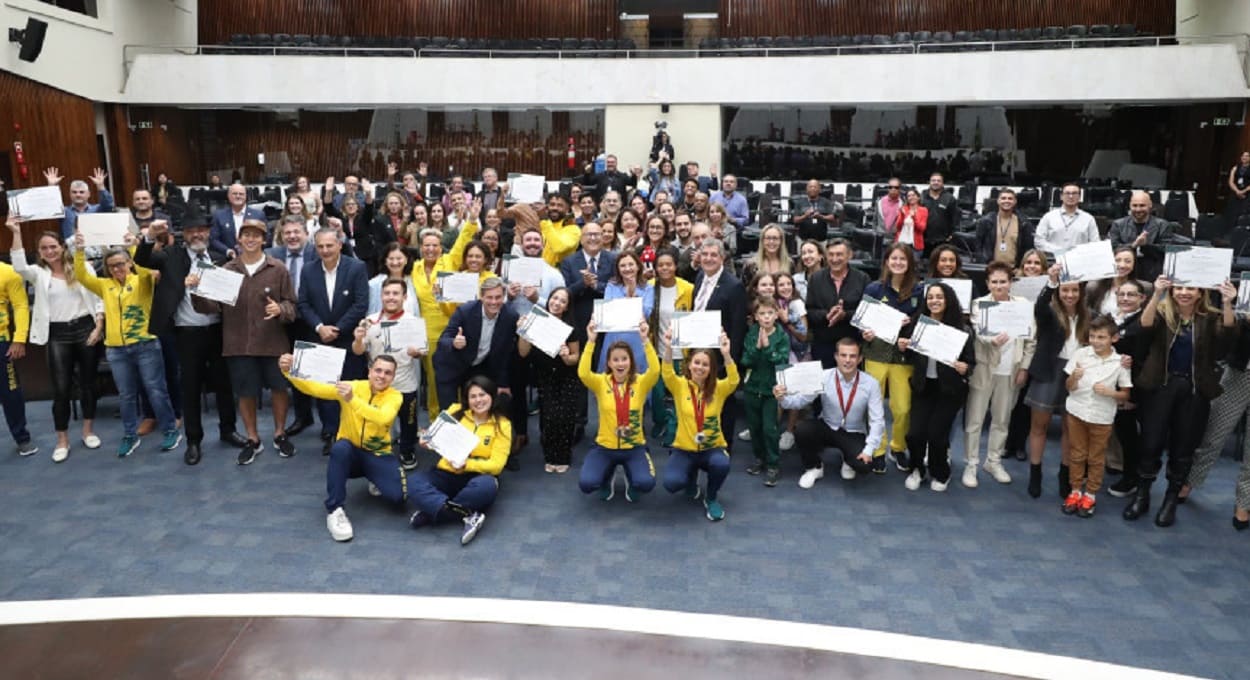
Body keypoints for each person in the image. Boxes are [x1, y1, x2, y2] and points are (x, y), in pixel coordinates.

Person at [1124, 276, 1236, 527]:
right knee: (1150, 443)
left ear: (1200, 292)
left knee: (1183, 447)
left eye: (1190, 288)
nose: (1184, 292)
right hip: (1160, 387)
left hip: (1194, 390)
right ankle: (1142, 495)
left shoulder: (1210, 317)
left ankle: (1171, 499)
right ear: (1172, 291)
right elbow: (1144, 327)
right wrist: (1157, 294)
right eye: (1180, 288)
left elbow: (1226, 341)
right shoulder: (1161, 312)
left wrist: (1228, 303)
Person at [135, 212, 245, 466]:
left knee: (224, 385)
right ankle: (193, 440)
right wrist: (149, 236)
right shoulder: (170, 256)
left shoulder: (219, 258)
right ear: (183, 234)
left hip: (218, 330)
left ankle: (228, 430)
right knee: (191, 388)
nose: (197, 234)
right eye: (191, 231)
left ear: (209, 232)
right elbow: (141, 259)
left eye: (201, 230)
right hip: (187, 333)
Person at [190, 219, 298, 465]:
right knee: (245, 392)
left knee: (279, 389)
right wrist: (196, 290)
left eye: (256, 235)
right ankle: (252, 438)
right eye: (246, 235)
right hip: (239, 343)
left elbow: (292, 305)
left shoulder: (278, 268)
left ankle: (280, 434)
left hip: (273, 341)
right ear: (238, 239)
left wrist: (281, 309)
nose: (251, 239)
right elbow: (210, 307)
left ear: (264, 240)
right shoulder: (226, 270)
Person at [73, 234, 181, 456]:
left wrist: (133, 246)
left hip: (145, 345)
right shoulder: (105, 286)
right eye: (112, 266)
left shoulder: (143, 280)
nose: (117, 269)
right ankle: (130, 435)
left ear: (129, 263)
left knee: (156, 390)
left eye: (121, 264)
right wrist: (80, 250)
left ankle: (170, 430)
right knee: (126, 395)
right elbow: (81, 276)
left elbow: (145, 268)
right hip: (116, 350)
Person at [280, 353, 405, 543]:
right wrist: (289, 372)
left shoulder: (395, 396)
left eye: (388, 373)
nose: (382, 376)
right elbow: (315, 388)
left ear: (393, 377)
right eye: (378, 370)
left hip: (378, 454)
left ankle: (374, 477)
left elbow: (382, 417)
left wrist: (352, 399)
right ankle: (335, 509)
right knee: (339, 448)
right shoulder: (353, 386)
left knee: (398, 498)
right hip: (351, 454)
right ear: (369, 371)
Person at [6, 216, 102, 462]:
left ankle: (88, 431)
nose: (49, 251)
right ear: (39, 252)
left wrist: (98, 326)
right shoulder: (38, 273)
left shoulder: (82, 266)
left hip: (86, 329)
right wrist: (15, 232)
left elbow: (99, 295)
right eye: (44, 248)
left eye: (53, 246)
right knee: (61, 390)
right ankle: (62, 440)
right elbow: (19, 266)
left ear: (62, 246)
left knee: (89, 384)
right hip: (57, 334)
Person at [408, 375, 510, 545]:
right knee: (413, 482)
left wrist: (468, 465)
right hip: (446, 472)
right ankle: (468, 514)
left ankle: (433, 512)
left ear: (492, 396)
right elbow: (435, 438)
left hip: (478, 476)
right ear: (467, 399)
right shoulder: (455, 411)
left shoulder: (502, 424)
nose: (478, 400)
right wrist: (426, 441)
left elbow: (497, 465)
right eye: (473, 396)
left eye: (482, 395)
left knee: (486, 488)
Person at [298, 227, 371, 455]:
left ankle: (351, 434)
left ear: (339, 245)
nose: (325, 250)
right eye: (320, 246)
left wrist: (337, 328)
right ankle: (330, 432)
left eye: (329, 245)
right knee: (325, 391)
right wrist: (320, 327)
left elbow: (361, 304)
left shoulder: (357, 267)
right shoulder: (308, 270)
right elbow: (303, 304)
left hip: (348, 339)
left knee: (349, 388)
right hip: (319, 339)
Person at [896, 282, 975, 491]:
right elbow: (911, 356)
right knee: (915, 434)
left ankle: (940, 472)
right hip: (923, 387)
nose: (934, 301)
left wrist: (965, 367)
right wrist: (903, 347)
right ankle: (917, 469)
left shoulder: (962, 329)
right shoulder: (918, 324)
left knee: (936, 435)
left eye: (939, 297)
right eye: (930, 297)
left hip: (949, 390)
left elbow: (971, 362)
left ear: (948, 300)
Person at [964, 261, 1036, 487]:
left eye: (1003, 281)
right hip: (984, 369)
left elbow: (1031, 341)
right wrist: (991, 340)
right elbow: (980, 331)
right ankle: (971, 464)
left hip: (1010, 371)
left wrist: (1024, 367)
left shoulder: (1023, 306)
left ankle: (993, 461)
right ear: (987, 283)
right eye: (994, 282)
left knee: (1002, 420)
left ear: (1010, 282)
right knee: (975, 420)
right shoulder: (979, 304)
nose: (998, 286)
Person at [1024, 263, 1090, 499]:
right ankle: (1035, 473)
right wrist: (1051, 282)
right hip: (1049, 371)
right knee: (1039, 426)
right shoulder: (1049, 312)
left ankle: (1065, 475)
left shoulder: (1090, 316)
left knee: (1070, 429)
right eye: (1065, 290)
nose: (1070, 295)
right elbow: (1040, 307)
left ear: (1081, 292)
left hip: (1077, 374)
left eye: (1074, 290)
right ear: (1058, 292)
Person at [411, 201, 482, 415]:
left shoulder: (449, 262)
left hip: (451, 328)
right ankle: (436, 419)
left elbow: (462, 241)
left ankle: (461, 417)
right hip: (425, 332)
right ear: (421, 248)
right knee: (434, 380)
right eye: (427, 245)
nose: (431, 249)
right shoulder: (414, 268)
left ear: (441, 247)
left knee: (456, 377)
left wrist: (471, 220)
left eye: (435, 245)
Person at [659, 328, 738, 521]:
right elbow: (666, 372)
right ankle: (690, 477)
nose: (700, 368)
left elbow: (734, 380)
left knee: (721, 464)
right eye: (696, 362)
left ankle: (711, 497)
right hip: (685, 449)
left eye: (705, 364)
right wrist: (668, 348)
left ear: (711, 369)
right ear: (689, 364)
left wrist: (726, 354)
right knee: (671, 483)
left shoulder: (718, 388)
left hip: (711, 448)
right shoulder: (679, 385)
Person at [577, 318, 659, 502]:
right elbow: (583, 373)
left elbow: (655, 371)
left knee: (646, 483)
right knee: (587, 484)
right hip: (605, 446)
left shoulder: (640, 382)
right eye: (615, 360)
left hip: (634, 446)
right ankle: (607, 477)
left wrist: (645, 341)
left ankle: (632, 479)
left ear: (631, 361)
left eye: (624, 359)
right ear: (609, 363)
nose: (620, 364)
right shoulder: (601, 382)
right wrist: (591, 341)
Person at [1183, 309, 1250, 530]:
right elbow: (1228, 330)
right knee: (1214, 432)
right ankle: (1189, 481)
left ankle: (1244, 502)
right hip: (1240, 370)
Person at [861, 243, 925, 471]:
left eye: (902, 259)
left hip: (903, 356)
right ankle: (877, 449)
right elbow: (862, 322)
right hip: (876, 353)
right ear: (887, 262)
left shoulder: (919, 291)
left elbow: (923, 322)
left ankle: (898, 447)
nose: (898, 263)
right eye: (894, 258)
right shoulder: (874, 289)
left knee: (902, 408)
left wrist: (910, 325)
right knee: (874, 405)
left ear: (910, 263)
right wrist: (865, 333)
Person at [788, 337, 886, 488]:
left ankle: (848, 459)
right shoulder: (823, 376)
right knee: (802, 430)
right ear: (836, 356)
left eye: (852, 356)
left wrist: (868, 450)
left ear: (860, 359)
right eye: (843, 355)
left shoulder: (871, 384)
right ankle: (814, 467)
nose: (847, 360)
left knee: (864, 466)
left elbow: (877, 421)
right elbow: (801, 401)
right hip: (827, 425)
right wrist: (782, 398)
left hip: (853, 432)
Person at [1061, 315, 1133, 518]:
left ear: (1114, 338)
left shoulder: (1120, 362)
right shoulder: (1080, 354)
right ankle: (1075, 491)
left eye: (1101, 337)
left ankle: (1090, 495)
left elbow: (1125, 395)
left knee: (1096, 457)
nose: (1095, 341)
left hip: (1102, 417)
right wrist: (1074, 378)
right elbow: (1068, 387)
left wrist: (1110, 393)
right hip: (1076, 411)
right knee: (1077, 453)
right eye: (1092, 336)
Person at [352, 278, 425, 471]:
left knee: (408, 421)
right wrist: (358, 339)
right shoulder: (369, 321)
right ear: (381, 296)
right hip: (379, 384)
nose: (391, 297)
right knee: (376, 419)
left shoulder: (413, 323)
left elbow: (422, 352)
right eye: (387, 293)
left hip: (405, 383)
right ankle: (377, 451)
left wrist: (416, 352)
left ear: (404, 297)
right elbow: (358, 351)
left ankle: (407, 450)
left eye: (396, 293)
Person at [561, 222, 616, 441]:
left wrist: (596, 286)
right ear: (581, 238)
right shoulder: (569, 262)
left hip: (608, 327)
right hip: (579, 326)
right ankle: (579, 422)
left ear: (604, 236)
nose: (593, 238)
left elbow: (617, 289)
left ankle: (610, 421)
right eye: (588, 234)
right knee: (580, 376)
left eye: (597, 234)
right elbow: (564, 294)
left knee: (609, 375)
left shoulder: (613, 260)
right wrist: (582, 284)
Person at [517, 287, 581, 473]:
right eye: (554, 298)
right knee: (549, 417)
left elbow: (575, 358)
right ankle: (550, 456)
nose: (557, 303)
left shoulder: (570, 329)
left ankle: (564, 457)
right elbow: (523, 352)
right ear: (548, 299)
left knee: (565, 418)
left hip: (567, 376)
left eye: (562, 301)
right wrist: (523, 332)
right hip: (545, 376)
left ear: (567, 307)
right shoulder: (536, 321)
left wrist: (566, 356)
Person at [692, 238, 748, 447]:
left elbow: (738, 328)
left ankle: (724, 447)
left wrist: (729, 361)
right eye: (705, 254)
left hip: (720, 357)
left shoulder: (734, 286)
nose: (708, 259)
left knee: (723, 404)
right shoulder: (700, 277)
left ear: (722, 258)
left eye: (713, 255)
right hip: (699, 352)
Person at [268, 216, 319, 437]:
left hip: (314, 320)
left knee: (319, 370)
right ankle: (303, 416)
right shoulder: (273, 255)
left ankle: (329, 424)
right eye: (287, 233)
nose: (292, 236)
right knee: (295, 369)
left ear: (306, 233)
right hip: (284, 321)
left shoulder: (318, 252)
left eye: (296, 232)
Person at [434, 277, 518, 411]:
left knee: (476, 408)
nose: (494, 302)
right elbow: (444, 339)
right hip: (451, 365)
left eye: (498, 297)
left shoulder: (510, 316)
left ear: (504, 297)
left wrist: (503, 383)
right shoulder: (465, 311)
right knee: (449, 412)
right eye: (489, 297)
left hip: (478, 367)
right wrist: (454, 342)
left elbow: (505, 353)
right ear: (481, 297)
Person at [740, 298, 790, 487]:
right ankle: (759, 458)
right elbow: (745, 361)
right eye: (762, 313)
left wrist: (768, 347)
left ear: (777, 315)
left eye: (770, 313)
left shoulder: (782, 336)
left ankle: (773, 464)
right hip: (752, 388)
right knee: (755, 427)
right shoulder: (752, 334)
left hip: (771, 390)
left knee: (770, 429)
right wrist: (757, 348)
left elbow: (782, 361)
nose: (766, 317)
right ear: (756, 316)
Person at [648, 248, 693, 443]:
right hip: (657, 349)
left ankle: (675, 428)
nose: (665, 268)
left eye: (669, 264)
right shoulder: (650, 287)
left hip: (681, 352)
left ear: (675, 266)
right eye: (660, 265)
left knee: (679, 392)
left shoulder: (688, 288)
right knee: (657, 392)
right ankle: (660, 422)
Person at [805, 238, 869, 368]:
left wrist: (845, 315)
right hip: (823, 346)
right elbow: (810, 311)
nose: (834, 259)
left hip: (852, 346)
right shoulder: (816, 279)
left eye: (839, 254)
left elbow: (867, 313)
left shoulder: (862, 279)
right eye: (831, 255)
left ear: (849, 255)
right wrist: (827, 315)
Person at [599, 251, 655, 373]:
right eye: (623, 266)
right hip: (614, 338)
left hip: (637, 338)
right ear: (618, 269)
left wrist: (633, 295)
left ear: (638, 266)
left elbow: (646, 313)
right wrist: (628, 298)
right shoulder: (611, 286)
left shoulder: (648, 288)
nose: (627, 268)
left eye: (631, 264)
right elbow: (607, 311)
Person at [1107, 191, 1174, 282]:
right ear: (1130, 206)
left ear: (1150, 205)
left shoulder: (1163, 225)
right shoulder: (1118, 224)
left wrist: (1146, 246)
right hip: (1125, 274)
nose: (1138, 209)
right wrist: (1133, 245)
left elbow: (1167, 251)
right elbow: (1112, 248)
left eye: (1142, 205)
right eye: (1134, 205)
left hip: (1152, 273)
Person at [46, 166, 113, 241]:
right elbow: (50, 207)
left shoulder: (97, 209)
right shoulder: (64, 212)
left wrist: (100, 186)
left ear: (88, 194)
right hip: (71, 247)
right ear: (70, 194)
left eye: (82, 192)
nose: (78, 195)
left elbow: (108, 206)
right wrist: (51, 187)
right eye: (74, 192)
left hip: (94, 246)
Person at [974, 188, 1034, 268]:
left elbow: (1028, 249)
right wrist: (983, 264)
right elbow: (978, 246)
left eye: (1010, 199)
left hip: (1014, 270)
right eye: (1003, 198)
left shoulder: (1023, 223)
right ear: (998, 201)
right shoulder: (986, 221)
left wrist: (1020, 268)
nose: (1006, 201)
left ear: (1015, 201)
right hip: (991, 269)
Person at [1034, 183, 1099, 255]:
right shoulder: (1048, 217)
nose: (1071, 196)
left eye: (1074, 193)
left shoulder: (1088, 219)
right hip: (1053, 259)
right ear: (1061, 196)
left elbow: (1095, 244)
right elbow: (1038, 241)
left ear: (1079, 197)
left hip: (1079, 259)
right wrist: (1059, 251)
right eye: (1067, 193)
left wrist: (1078, 251)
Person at [209, 183, 266, 259]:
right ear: (228, 196)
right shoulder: (219, 215)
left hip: (253, 257)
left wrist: (252, 249)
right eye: (234, 194)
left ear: (246, 196)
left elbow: (266, 238)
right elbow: (213, 239)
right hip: (228, 260)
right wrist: (227, 251)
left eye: (241, 194)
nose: (238, 196)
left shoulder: (258, 215)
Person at [367, 242, 419, 317]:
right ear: (385, 261)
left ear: (406, 260)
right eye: (391, 259)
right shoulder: (374, 284)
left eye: (399, 258)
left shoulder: (413, 281)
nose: (395, 262)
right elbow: (371, 312)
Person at [1086, 247, 1139, 316]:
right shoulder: (1095, 287)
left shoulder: (1144, 288)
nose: (1122, 265)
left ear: (1134, 265)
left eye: (1128, 261)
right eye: (1117, 260)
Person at [920, 172, 959, 254]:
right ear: (929, 182)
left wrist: (952, 235)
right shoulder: (922, 197)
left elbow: (955, 218)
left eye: (938, 181)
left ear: (942, 183)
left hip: (943, 241)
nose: (936, 182)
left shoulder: (950, 198)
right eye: (933, 180)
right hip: (923, 240)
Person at [894, 188, 927, 253]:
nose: (911, 197)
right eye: (909, 196)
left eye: (913, 195)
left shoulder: (923, 210)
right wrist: (902, 215)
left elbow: (922, 229)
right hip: (902, 244)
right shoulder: (903, 209)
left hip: (916, 246)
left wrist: (914, 217)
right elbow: (898, 227)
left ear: (918, 197)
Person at [792, 239, 825, 305]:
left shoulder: (831, 278)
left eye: (810, 252)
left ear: (820, 256)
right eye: (804, 253)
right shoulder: (795, 279)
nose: (806, 256)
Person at [1226, 151, 1250, 229]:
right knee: (1232, 212)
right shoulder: (1235, 168)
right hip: (1235, 193)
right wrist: (1237, 191)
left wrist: (1244, 191)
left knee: (1243, 213)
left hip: (1247, 194)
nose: (1244, 157)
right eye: (1243, 156)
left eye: (1247, 156)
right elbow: (1231, 181)